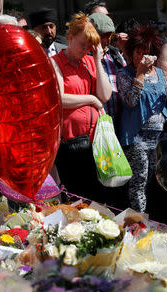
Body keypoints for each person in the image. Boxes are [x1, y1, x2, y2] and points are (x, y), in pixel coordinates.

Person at [117, 24, 167, 213]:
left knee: (155, 179)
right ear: (131, 52)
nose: (144, 58)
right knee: (139, 180)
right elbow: (130, 101)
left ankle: (156, 218)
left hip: (158, 137)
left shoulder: (160, 74)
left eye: (148, 53)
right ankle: (139, 222)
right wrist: (140, 75)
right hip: (136, 137)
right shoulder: (124, 74)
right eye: (139, 52)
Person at [51, 12, 112, 201]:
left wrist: (97, 60)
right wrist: (90, 100)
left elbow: (105, 95)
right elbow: (59, 99)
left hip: (95, 141)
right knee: (77, 197)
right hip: (71, 142)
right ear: (69, 38)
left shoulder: (89, 61)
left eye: (89, 46)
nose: (85, 49)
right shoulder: (56, 62)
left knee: (97, 198)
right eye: (82, 44)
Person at [89, 12, 127, 130]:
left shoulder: (115, 55)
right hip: (97, 126)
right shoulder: (83, 58)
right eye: (102, 35)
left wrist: (127, 50)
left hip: (120, 123)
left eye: (110, 35)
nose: (107, 40)